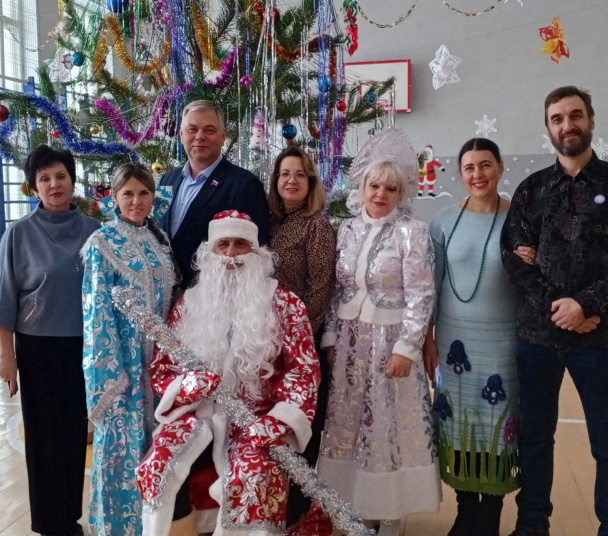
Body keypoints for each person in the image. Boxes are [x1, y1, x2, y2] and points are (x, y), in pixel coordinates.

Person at [501, 86, 608, 536]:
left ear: (591, 120)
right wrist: (561, 309)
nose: (567, 125)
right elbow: (514, 259)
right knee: (535, 437)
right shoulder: (532, 189)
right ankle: (532, 524)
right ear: (548, 128)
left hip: (598, 339)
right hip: (537, 339)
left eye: (575, 115)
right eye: (557, 118)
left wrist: (586, 305)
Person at [135, 210, 320, 536]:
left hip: (257, 419)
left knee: (253, 475)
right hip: (198, 416)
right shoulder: (189, 303)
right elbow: (164, 367)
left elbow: (303, 371)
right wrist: (190, 384)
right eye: (223, 244)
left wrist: (277, 422)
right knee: (159, 464)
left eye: (240, 244)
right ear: (210, 251)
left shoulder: (285, 303)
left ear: (256, 252)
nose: (232, 254)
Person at [318, 159, 441, 536]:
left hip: (390, 343)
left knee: (387, 424)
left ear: (401, 194)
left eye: (390, 188)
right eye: (374, 186)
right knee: (351, 424)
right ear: (362, 189)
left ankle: (390, 510)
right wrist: (331, 337)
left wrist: (407, 347)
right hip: (350, 343)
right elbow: (338, 289)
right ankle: (359, 503)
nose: (380, 194)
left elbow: (421, 295)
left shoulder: (412, 232)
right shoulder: (347, 229)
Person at [0, 145, 101, 536]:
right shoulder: (19, 234)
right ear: (34, 187)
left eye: (60, 176)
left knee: (74, 433)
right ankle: (49, 524)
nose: (54, 184)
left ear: (72, 180)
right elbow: (5, 300)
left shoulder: (95, 232)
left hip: (84, 348)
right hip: (37, 348)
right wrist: (7, 358)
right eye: (44, 179)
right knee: (42, 436)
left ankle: (69, 517)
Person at [424, 138, 519, 536]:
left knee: (496, 424)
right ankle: (466, 510)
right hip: (453, 344)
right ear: (460, 173)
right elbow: (432, 284)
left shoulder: (520, 219)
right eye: (469, 167)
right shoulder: (443, 221)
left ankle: (491, 512)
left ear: (500, 167)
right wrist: (428, 337)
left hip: (504, 344)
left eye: (485, 165)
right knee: (459, 422)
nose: (477, 174)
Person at [82, 163, 179, 536]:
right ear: (114, 197)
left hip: (159, 365)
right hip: (122, 367)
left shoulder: (159, 240)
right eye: (128, 194)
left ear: (153, 196)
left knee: (155, 450)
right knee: (121, 451)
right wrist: (110, 373)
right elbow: (95, 312)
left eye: (143, 193)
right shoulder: (102, 242)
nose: (136, 201)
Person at [267, 146, 336, 525]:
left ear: (310, 182)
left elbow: (320, 291)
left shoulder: (317, 227)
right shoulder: (270, 224)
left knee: (302, 431)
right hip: (266, 346)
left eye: (299, 174)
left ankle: (299, 516)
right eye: (284, 174)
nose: (291, 180)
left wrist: (292, 339)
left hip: (302, 349)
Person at [158, 99, 269, 286]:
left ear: (223, 136)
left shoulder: (244, 185)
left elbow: (256, 253)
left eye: (209, 130)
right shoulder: (166, 181)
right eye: (192, 129)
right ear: (181, 134)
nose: (199, 136)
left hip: (212, 296)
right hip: (164, 294)